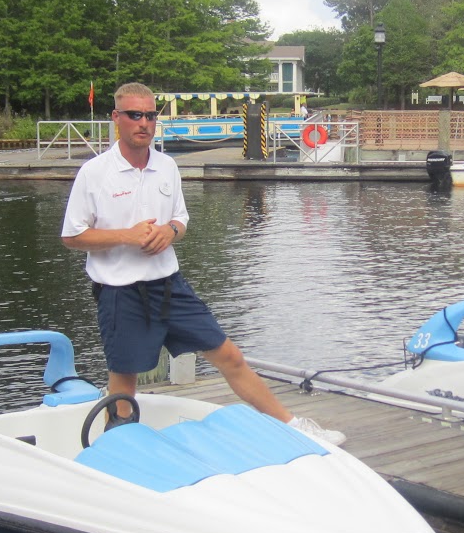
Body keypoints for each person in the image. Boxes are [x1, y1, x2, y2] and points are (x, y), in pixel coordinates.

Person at [61, 82, 345, 446]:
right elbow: (72, 237)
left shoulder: (166, 166)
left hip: (169, 286)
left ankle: (295, 427)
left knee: (229, 355)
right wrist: (126, 236)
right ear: (116, 118)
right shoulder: (95, 173)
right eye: (135, 115)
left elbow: (180, 218)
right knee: (124, 378)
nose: (144, 123)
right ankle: (119, 448)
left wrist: (171, 231)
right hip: (120, 292)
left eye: (150, 115)